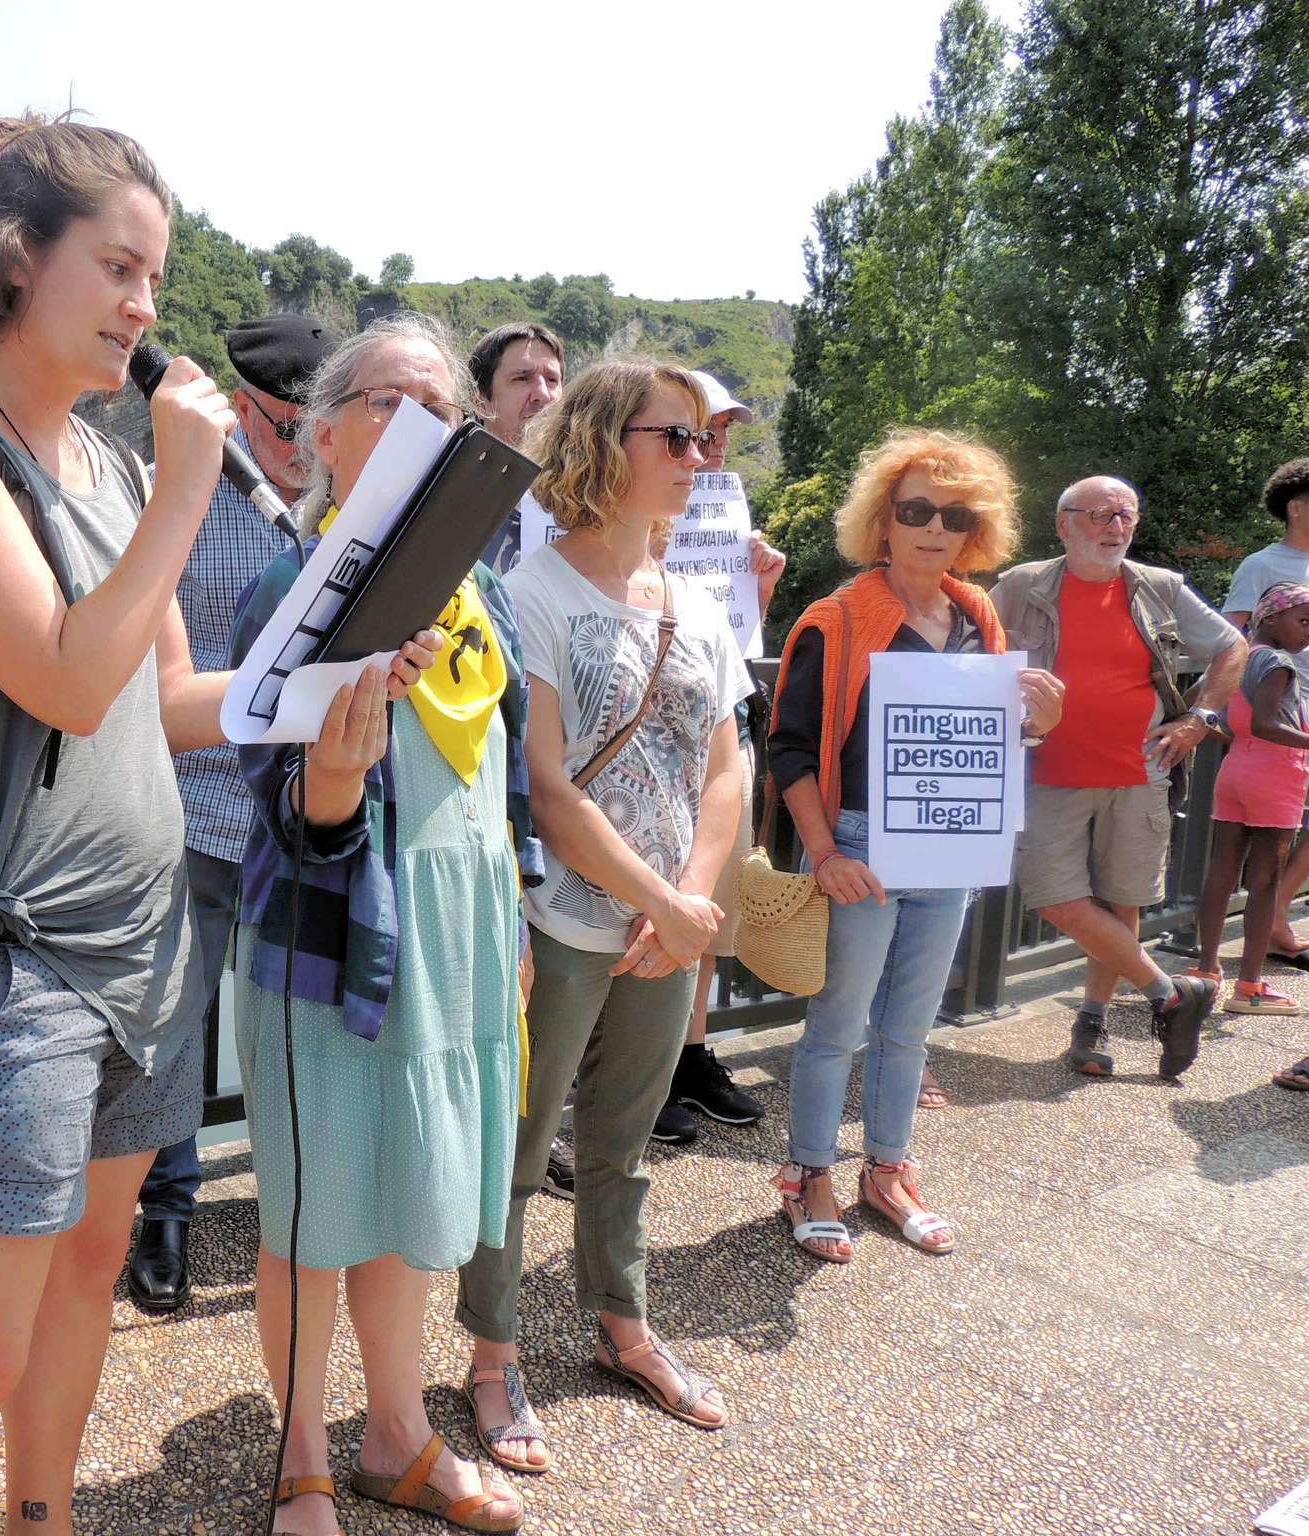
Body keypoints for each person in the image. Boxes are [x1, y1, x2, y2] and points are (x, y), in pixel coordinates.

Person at [0, 114, 433, 1536]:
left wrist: (340, 679)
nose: (144, 309)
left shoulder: (112, 470)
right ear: (11, 256)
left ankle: (40, 1519)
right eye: (117, 267)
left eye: (153, 276)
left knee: (87, 1269)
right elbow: (60, 668)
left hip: (139, 933)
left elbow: (167, 700)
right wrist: (185, 487)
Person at [234, 312, 530, 1536]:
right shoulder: (290, 581)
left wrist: (511, 916)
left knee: (412, 1196)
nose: (421, 427)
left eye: (442, 410)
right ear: (324, 434)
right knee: (313, 1210)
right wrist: (333, 781)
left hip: (458, 942)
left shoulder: (481, 596)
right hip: (334, 942)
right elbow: (273, 798)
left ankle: (397, 1435)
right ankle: (303, 1457)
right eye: (389, 404)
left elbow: (497, 785)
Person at [455, 360, 749, 1476]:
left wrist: (686, 908)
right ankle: (491, 1354)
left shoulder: (696, 603)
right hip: (563, 923)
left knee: (621, 1152)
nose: (695, 458)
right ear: (602, 442)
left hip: (661, 928)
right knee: (519, 1153)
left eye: (699, 441)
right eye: (672, 437)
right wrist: (659, 902)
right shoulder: (530, 592)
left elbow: (724, 767)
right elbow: (543, 785)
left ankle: (621, 1325)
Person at [767, 429, 1063, 1264]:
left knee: (909, 1027)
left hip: (951, 851)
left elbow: (989, 747)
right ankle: (810, 1174)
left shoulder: (978, 618)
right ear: (883, 521)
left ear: (978, 530)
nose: (935, 527)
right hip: (860, 847)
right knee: (836, 1025)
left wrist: (1037, 718)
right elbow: (789, 749)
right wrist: (825, 853)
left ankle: (888, 1171)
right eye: (916, 509)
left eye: (956, 513)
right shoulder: (837, 621)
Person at [127, 313, 339, 1314]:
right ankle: (164, 1212)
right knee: (172, 1030)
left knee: (306, 1018)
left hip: (308, 814)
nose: (298, 451)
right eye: (282, 426)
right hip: (196, 806)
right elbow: (151, 682)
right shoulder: (178, 495)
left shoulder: (349, 509)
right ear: (240, 408)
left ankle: (299, 1206)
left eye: (314, 429)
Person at [990, 476, 1241, 1075]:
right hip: (1046, 771)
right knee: (1051, 894)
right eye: (1101, 514)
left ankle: (1093, 1022)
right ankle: (1172, 993)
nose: (1117, 526)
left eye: (1126, 515)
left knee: (1120, 901)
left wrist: (1199, 719)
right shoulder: (1022, 586)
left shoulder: (1159, 588)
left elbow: (1234, 646)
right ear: (1064, 524)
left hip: (1141, 772)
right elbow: (965, 643)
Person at [657, 369, 785, 1144]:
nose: (711, 447)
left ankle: (690, 1059)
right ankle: (634, 1071)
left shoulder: (721, 520)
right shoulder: (638, 513)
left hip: (719, 733)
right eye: (696, 430)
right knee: (650, 905)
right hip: (648, 743)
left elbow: (733, 653)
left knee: (710, 912)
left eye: (722, 431)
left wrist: (758, 595)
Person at [1190, 584, 1309, 1014]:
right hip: (1275, 774)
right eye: (1303, 620)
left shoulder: (1238, 656)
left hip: (1235, 768)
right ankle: (1251, 987)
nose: (1308, 631)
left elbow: (1203, 711)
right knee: (1265, 884)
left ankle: (1206, 971)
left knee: (1221, 873)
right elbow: (1265, 724)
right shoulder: (1279, 663)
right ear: (1272, 618)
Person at [1223, 458, 1309, 959]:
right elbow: (1230, 636)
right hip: (1280, 712)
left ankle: (1276, 915)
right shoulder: (1262, 565)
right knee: (1277, 823)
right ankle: (1269, 926)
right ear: (1297, 509)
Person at [471, 321, 565, 575]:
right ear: (481, 401)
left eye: (552, 380)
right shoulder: (448, 503)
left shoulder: (586, 506)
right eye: (522, 378)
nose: (543, 395)